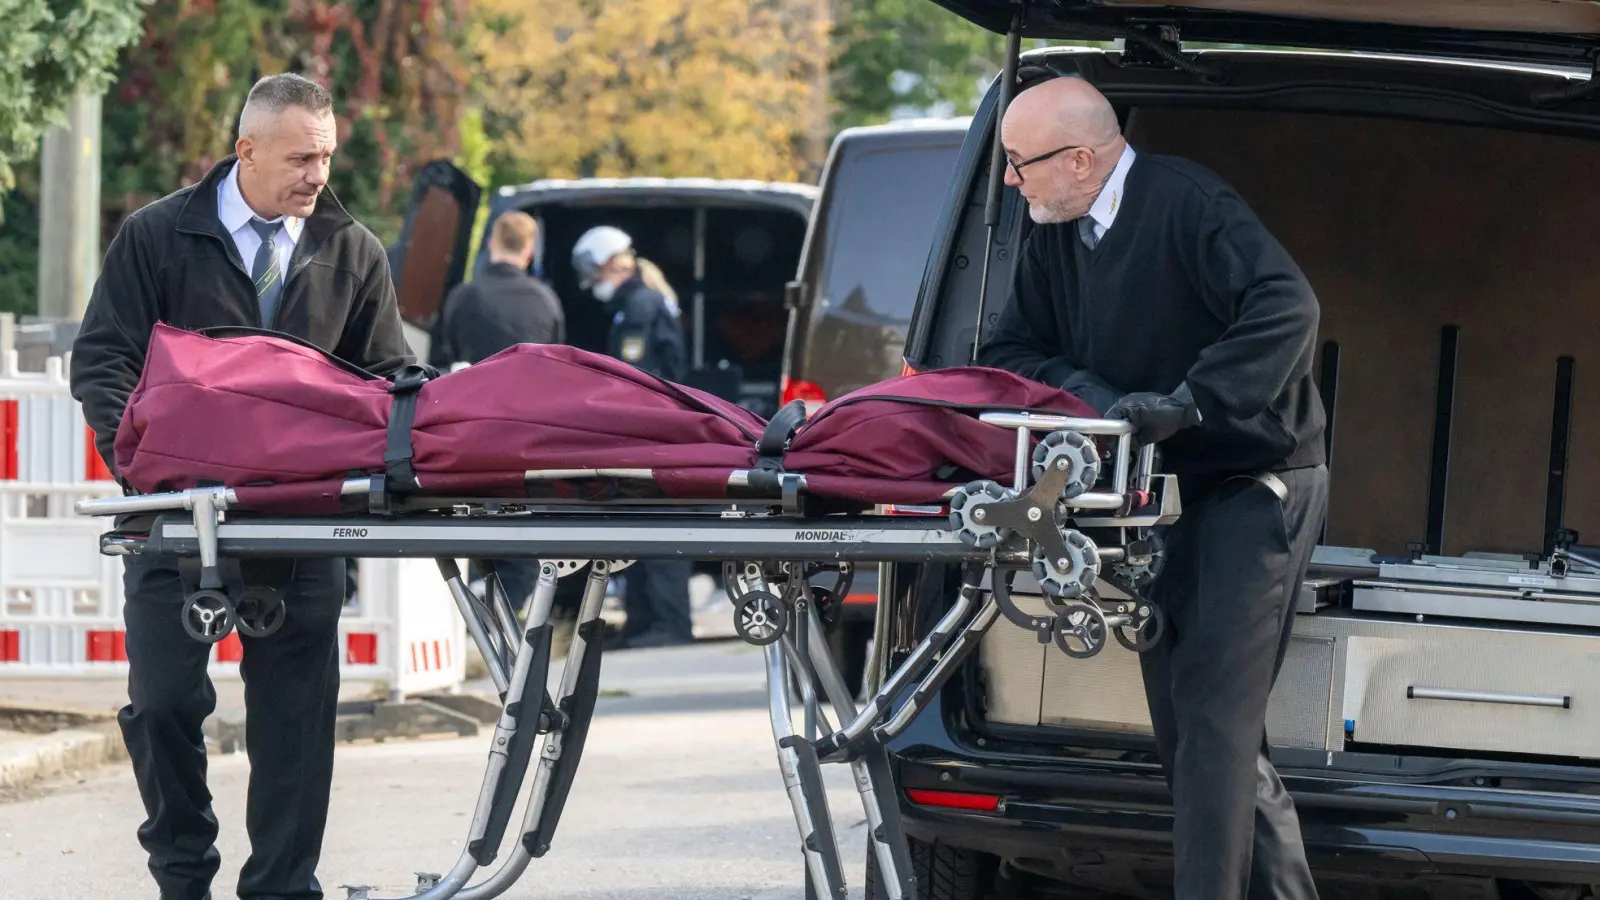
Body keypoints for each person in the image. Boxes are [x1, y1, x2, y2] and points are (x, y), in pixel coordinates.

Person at [977, 76, 1330, 900]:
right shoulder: (1055, 229)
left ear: (1078, 160)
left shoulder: (1187, 203)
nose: (1008, 181)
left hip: (1257, 482)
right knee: (1192, 734)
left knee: (1212, 725)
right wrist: (1100, 400)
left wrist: (1190, 403)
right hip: (1159, 497)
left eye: (1018, 163)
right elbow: (1009, 350)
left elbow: (1289, 307)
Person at [70, 73, 413, 900]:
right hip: (175, 524)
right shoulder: (156, 237)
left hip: (302, 530)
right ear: (246, 149)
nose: (317, 176)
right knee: (160, 707)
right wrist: (147, 467)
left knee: (295, 725)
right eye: (300, 157)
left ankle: (282, 888)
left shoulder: (351, 250)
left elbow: (391, 377)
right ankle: (182, 878)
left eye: (327, 156)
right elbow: (103, 359)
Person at [428, 210, 567, 616]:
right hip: (532, 428)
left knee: (474, 513)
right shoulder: (545, 299)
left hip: (474, 425)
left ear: (491, 243)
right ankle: (518, 604)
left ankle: (479, 602)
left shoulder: (464, 296)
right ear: (528, 250)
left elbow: (444, 358)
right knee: (524, 514)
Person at [570, 225, 695, 649]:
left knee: (660, 525)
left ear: (607, 262)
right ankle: (646, 621)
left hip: (653, 432)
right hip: (653, 430)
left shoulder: (639, 305)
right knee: (643, 523)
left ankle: (668, 624)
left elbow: (634, 379)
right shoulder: (636, 303)